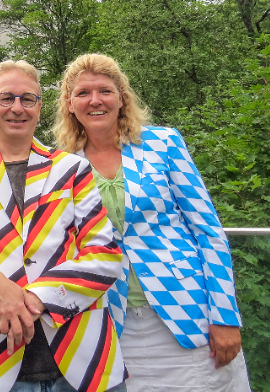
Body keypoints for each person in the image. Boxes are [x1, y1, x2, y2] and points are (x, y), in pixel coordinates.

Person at [53, 53, 250, 392]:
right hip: (112, 323)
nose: (95, 100)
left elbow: (208, 231)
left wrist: (225, 316)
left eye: (105, 91)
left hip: (188, 315)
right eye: (83, 93)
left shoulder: (164, 143)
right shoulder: (63, 165)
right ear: (70, 104)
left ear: (121, 98)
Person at [0, 60, 127, 392]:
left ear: (38, 108)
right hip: (0, 364)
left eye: (27, 99)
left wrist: (30, 299)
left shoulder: (72, 168)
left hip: (86, 357)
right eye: (6, 98)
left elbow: (105, 254)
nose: (17, 108)